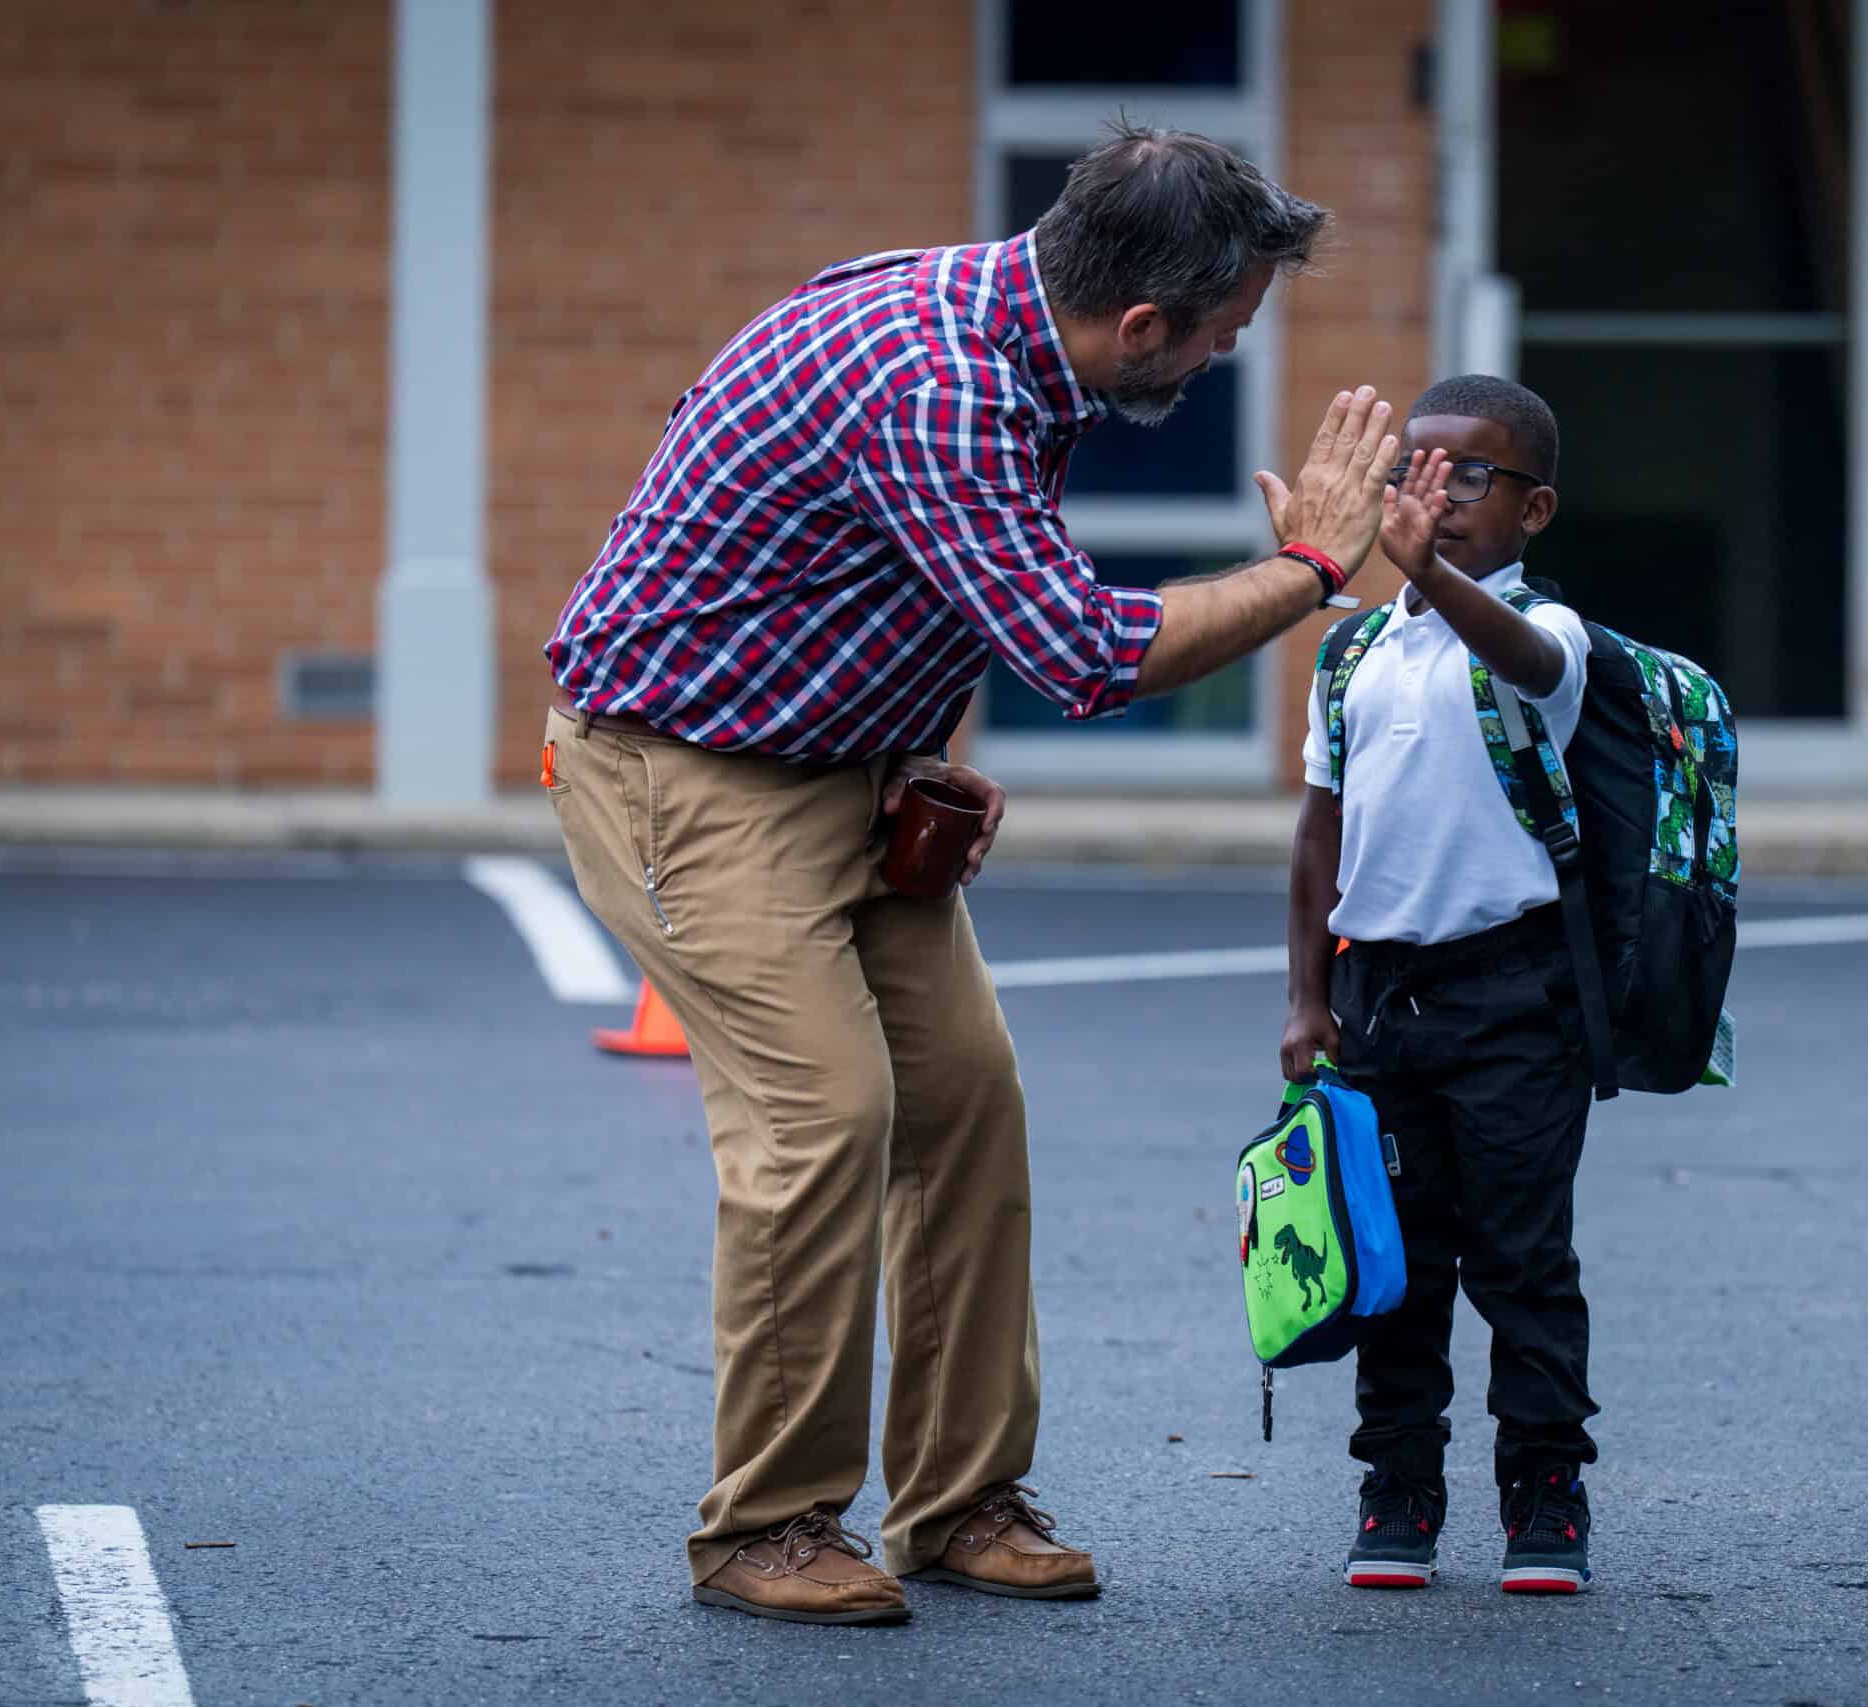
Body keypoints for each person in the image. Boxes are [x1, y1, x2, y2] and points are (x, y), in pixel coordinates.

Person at [541, 125, 1405, 1627]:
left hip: (844, 768)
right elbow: (1083, 652)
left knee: (962, 1101)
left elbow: (911, 562)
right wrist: (1317, 572)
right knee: (830, 1118)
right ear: (1140, 323)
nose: (1217, 365)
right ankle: (767, 1522)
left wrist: (915, 738)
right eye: (1215, 340)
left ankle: (957, 1498)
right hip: (681, 777)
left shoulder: (1000, 327)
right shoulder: (937, 380)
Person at [1278, 374, 1603, 1595]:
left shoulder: (1553, 641)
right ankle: (1397, 1489)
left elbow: (1513, 650)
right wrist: (1308, 1001)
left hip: (1517, 1000)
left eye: (1470, 476)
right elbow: (1320, 835)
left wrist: (1430, 574)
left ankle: (1546, 1497)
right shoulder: (1354, 647)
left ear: (1535, 509)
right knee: (1389, 1262)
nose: (1434, 495)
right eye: (1412, 471)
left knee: (1520, 1258)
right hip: (1379, 1002)